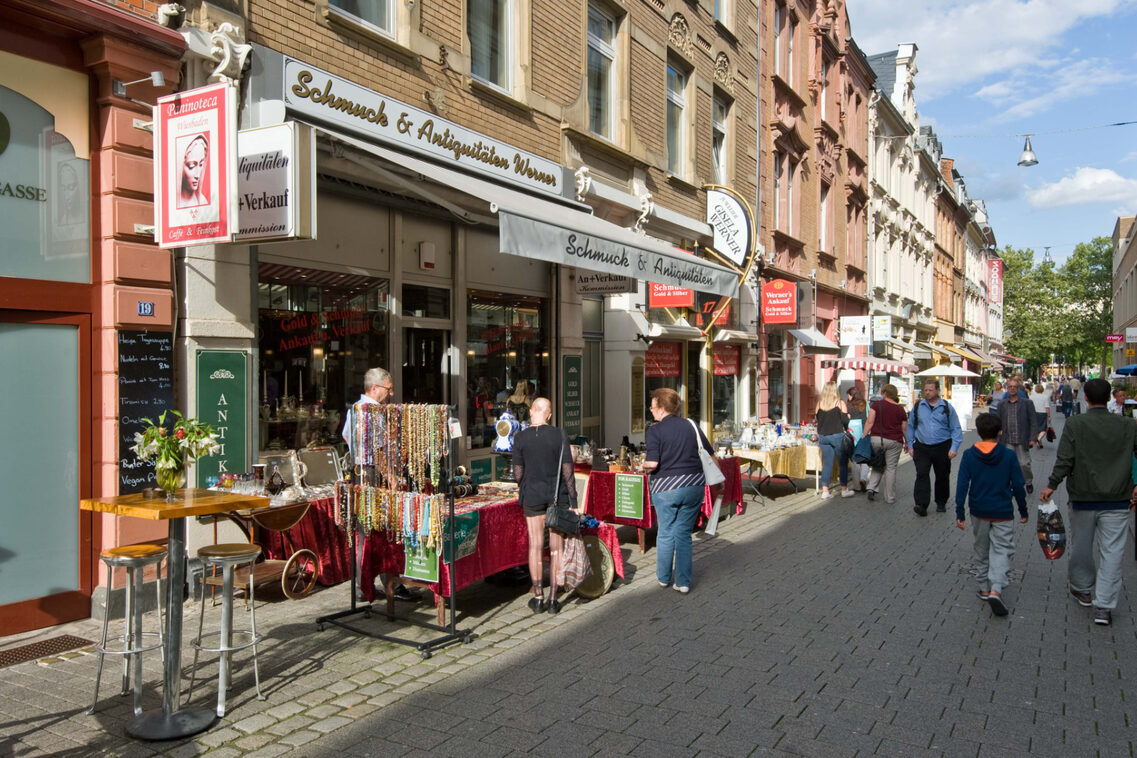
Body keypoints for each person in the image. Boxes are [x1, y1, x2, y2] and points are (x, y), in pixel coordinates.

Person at [1040, 378, 1137, 626]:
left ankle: (1083, 589)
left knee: (1082, 547)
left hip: (1083, 497)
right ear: (1111, 398)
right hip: (1118, 498)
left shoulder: (1075, 424)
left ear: (1085, 397)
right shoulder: (1128, 425)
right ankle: (1103, 607)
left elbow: (1065, 458)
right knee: (1112, 552)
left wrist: (1052, 484)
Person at [341, 368, 420, 603]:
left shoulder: (355, 408)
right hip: (373, 475)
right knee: (385, 530)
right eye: (388, 388)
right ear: (374, 388)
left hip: (361, 472)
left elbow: (347, 436)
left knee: (367, 532)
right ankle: (390, 584)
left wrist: (357, 454)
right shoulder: (370, 412)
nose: (391, 392)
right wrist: (391, 477)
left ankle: (364, 585)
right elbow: (377, 451)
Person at [954, 413, 1029, 617]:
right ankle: (996, 587)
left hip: (979, 509)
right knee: (1002, 549)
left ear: (978, 432)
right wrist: (1023, 510)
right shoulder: (1008, 455)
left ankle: (984, 588)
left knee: (981, 548)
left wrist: (959, 511)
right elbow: (1018, 485)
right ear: (1000, 432)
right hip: (1003, 510)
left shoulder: (969, 455)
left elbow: (962, 485)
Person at [642, 387, 713, 594]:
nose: (651, 411)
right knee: (683, 533)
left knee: (665, 532)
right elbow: (710, 453)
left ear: (662, 409)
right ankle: (683, 582)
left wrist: (642, 466)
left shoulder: (654, 431)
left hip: (666, 488)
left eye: (653, 407)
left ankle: (664, 577)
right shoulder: (691, 425)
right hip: (694, 485)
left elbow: (653, 463)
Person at [512, 397, 577, 615]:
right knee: (557, 549)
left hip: (532, 496)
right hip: (556, 497)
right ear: (548, 414)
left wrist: (525, 485)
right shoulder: (560, 435)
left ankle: (538, 597)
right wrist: (574, 501)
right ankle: (553, 599)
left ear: (532, 412)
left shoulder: (520, 437)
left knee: (535, 547)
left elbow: (518, 473)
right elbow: (568, 471)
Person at [905, 378, 963, 516]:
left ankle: (941, 502)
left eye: (930, 390)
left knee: (942, 475)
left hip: (942, 446)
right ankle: (921, 504)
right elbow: (911, 426)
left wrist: (954, 447)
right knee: (922, 474)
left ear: (938, 390)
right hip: (922, 447)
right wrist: (910, 444)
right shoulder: (918, 406)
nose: (927, 393)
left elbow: (956, 428)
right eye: (925, 390)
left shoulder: (947, 407)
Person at [864, 383, 908, 504]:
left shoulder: (876, 405)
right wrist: (908, 443)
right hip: (895, 441)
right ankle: (890, 497)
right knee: (891, 468)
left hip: (877, 439)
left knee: (878, 463)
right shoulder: (900, 409)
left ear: (884, 393)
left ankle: (871, 488)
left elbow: (869, 422)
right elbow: (904, 429)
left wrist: (863, 436)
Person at [997, 376, 1038, 494]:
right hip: (1007, 439)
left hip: (1022, 438)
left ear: (1018, 388)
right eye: (1010, 387)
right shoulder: (1002, 404)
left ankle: (1028, 481)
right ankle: (1011, 484)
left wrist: (1033, 438)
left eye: (1014, 387)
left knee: (1024, 464)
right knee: (1008, 464)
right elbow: (998, 422)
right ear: (1007, 388)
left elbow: (1033, 421)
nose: (1012, 389)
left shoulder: (1027, 403)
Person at [814, 381, 853, 500]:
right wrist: (848, 418)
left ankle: (825, 491)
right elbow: (846, 422)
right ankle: (844, 489)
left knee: (827, 463)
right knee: (842, 463)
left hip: (823, 437)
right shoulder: (840, 403)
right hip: (837, 436)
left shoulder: (820, 404)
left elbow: (817, 420)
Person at [177, 134, 210, 208]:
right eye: (191, 166)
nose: (198, 175)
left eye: (201, 164)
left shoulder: (203, 202)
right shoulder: (171, 203)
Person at [846, 387, 868, 491]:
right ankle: (863, 478)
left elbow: (846, 418)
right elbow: (868, 417)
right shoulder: (864, 404)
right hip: (863, 430)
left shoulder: (848, 405)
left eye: (848, 395)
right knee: (865, 456)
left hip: (852, 431)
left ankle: (857, 486)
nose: (848, 397)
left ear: (852, 395)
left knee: (854, 458)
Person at [1030, 382, 1051, 446]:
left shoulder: (1031, 397)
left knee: (1036, 428)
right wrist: (1049, 416)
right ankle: (1038, 439)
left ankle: (1040, 443)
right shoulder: (1045, 397)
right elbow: (1047, 407)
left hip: (1033, 413)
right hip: (1042, 413)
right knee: (1043, 429)